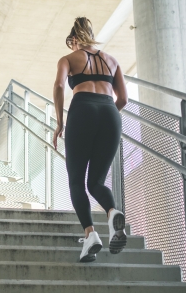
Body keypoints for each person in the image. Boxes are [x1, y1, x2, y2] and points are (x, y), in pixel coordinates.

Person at [52, 17, 129, 262]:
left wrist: (60, 123)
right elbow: (124, 100)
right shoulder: (112, 61)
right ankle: (112, 212)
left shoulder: (69, 59)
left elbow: (58, 86)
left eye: (71, 43)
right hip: (110, 113)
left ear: (74, 40)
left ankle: (90, 234)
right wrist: (105, 115)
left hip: (83, 110)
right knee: (96, 182)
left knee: (76, 180)